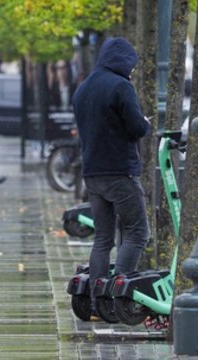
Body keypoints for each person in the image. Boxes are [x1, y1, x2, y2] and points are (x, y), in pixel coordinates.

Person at [72, 37, 151, 316]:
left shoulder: (83, 88)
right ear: (124, 61)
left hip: (92, 173)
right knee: (138, 232)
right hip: (120, 171)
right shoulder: (121, 86)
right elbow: (135, 126)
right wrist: (146, 123)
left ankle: (97, 301)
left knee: (102, 238)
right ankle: (119, 298)